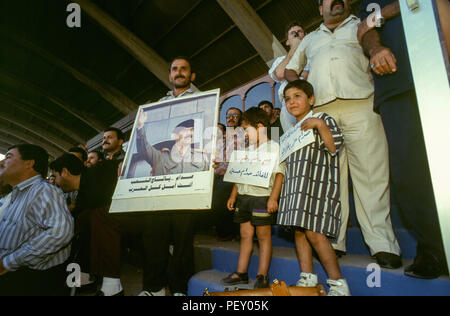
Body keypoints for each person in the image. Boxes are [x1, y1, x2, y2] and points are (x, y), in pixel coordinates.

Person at [284, 0, 402, 269]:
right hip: (322, 112)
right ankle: (333, 242)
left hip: (362, 104)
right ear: (319, 7)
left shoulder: (362, 26)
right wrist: (299, 85)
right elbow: (290, 68)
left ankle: (382, 244)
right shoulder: (311, 38)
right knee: (329, 180)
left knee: (372, 174)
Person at [358, 0, 448, 279]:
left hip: (440, 78)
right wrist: (376, 47)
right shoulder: (371, 3)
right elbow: (365, 28)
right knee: (409, 173)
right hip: (397, 88)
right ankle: (433, 249)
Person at [278, 80, 350, 296]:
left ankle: (338, 284)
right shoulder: (290, 132)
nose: (292, 102)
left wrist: (320, 126)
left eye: (297, 96)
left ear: (311, 99)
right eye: (288, 99)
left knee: (315, 234)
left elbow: (334, 146)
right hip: (294, 191)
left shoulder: (322, 118)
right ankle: (307, 278)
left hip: (316, 189)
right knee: (299, 233)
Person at [138, 56, 201, 297]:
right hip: (159, 183)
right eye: (175, 69)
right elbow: (142, 142)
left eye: (184, 69)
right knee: (154, 235)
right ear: (169, 75)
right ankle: (152, 288)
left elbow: (206, 135)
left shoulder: (202, 100)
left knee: (183, 237)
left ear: (192, 76)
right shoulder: (156, 105)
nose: (179, 72)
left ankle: (179, 289)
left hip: (188, 177)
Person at [222, 107, 285, 289]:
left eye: (246, 130)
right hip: (244, 198)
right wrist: (233, 195)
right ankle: (241, 272)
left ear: (259, 127)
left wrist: (273, 198)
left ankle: (262, 275)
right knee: (245, 235)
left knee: (263, 236)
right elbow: (237, 176)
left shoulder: (274, 148)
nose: (245, 135)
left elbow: (279, 175)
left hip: (262, 198)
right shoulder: (245, 150)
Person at [0, 144, 74, 296]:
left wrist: (9, 262)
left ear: (29, 163)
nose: (2, 162)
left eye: (8, 157)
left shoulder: (43, 190)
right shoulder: (15, 195)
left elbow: (60, 232)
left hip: (28, 280)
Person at [50, 154, 124, 296]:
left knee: (96, 216)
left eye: (55, 176)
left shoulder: (102, 168)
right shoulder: (82, 196)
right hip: (109, 225)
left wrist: (122, 163)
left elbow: (128, 158)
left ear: (65, 172)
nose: (55, 182)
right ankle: (82, 275)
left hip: (137, 218)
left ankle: (112, 285)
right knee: (81, 222)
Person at [268, 21, 309, 132]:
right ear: (287, 42)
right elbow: (281, 74)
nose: (296, 34)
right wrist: (294, 49)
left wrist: (295, 72)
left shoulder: (313, 54)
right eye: (292, 33)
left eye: (299, 32)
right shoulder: (281, 60)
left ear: (305, 36)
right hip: (290, 104)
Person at [136, 117, 209, 176]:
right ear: (175, 135)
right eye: (184, 130)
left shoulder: (201, 158)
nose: (189, 133)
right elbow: (143, 149)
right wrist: (140, 127)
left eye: (191, 130)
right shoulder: (159, 157)